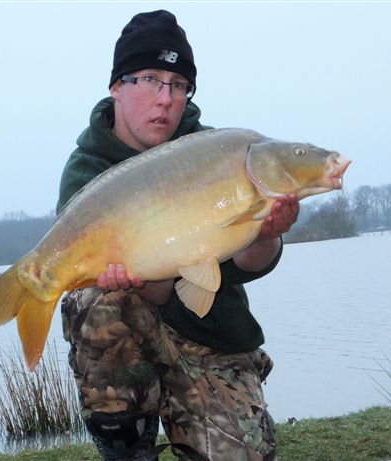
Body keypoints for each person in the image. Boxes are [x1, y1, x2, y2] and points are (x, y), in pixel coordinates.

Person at [56, 10, 299, 461]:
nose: (165, 98)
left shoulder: (215, 153)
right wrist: (141, 277)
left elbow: (243, 266)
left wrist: (268, 234)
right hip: (132, 324)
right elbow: (153, 287)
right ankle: (128, 449)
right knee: (95, 300)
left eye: (178, 84)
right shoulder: (87, 169)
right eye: (149, 78)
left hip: (213, 333)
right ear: (117, 87)